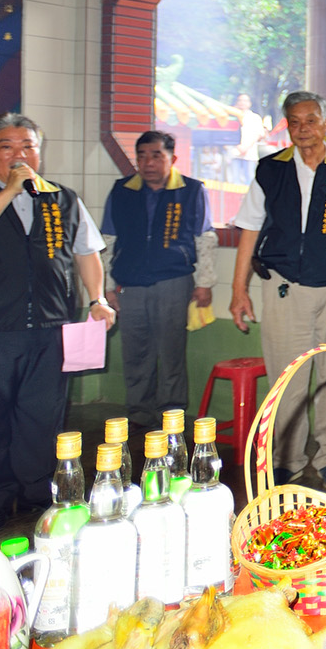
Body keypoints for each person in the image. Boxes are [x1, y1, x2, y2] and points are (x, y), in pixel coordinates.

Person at [0, 114, 114, 536]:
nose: (21, 155)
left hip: (51, 326)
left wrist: (97, 298)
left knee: (42, 419)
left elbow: (86, 251)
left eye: (29, 146)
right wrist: (10, 191)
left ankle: (37, 495)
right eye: (8, 147)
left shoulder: (62, 198)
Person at [229, 91, 326, 489]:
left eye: (311, 120)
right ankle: (286, 458)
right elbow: (249, 228)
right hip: (284, 286)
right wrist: (239, 290)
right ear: (287, 126)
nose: (303, 128)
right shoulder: (270, 169)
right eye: (295, 121)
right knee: (286, 378)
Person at [101, 131, 214, 429]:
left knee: (171, 351)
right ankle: (139, 412)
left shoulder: (191, 190)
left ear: (172, 159)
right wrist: (107, 287)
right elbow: (108, 239)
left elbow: (204, 239)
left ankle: (172, 414)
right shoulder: (122, 190)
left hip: (173, 280)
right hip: (130, 283)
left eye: (156, 156)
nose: (148, 163)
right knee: (135, 351)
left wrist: (204, 282)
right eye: (142, 156)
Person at [230, 93, 263, 185]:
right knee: (235, 180)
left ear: (249, 103)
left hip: (249, 153)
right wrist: (238, 146)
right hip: (235, 152)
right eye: (240, 100)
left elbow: (258, 134)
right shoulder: (232, 117)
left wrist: (245, 147)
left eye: (245, 101)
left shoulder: (255, 117)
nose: (242, 103)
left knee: (250, 178)